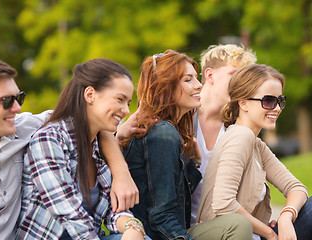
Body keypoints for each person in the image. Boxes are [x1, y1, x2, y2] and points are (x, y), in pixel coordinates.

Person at [0, 56, 139, 239]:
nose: (17, 108)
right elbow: (69, 213)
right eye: (7, 101)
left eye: (20, 98)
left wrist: (121, 170)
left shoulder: (23, 126)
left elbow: (89, 119)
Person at [121, 50, 252, 240]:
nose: (199, 85)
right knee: (237, 225)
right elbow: (160, 217)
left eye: (195, 79)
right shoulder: (163, 133)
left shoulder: (169, 131)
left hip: (167, 232)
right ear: (165, 86)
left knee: (235, 223)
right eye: (188, 80)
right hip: (155, 235)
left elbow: (170, 198)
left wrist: (194, 165)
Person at [16, 58, 148, 240]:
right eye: (120, 99)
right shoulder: (50, 139)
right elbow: (68, 214)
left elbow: (113, 212)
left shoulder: (100, 147)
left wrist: (132, 227)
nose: (126, 110)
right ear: (90, 94)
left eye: (128, 102)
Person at [197, 64, 312, 240]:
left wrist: (286, 217)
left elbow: (296, 188)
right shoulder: (239, 136)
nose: (277, 108)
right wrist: (270, 235)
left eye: (280, 100)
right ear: (243, 103)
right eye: (268, 101)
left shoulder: (256, 144)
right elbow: (223, 204)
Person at [190, 44, 257, 224]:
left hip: (233, 226)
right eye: (234, 75)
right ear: (210, 75)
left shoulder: (238, 126)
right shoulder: (182, 119)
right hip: (188, 229)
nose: (242, 84)